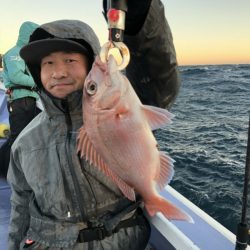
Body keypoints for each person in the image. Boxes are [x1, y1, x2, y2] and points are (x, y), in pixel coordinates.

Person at [7, 0, 181, 249]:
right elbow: (21, 202)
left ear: (91, 64)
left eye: (69, 60)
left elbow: (159, 82)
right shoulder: (25, 142)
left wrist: (138, 20)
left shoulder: (123, 104)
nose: (58, 72)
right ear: (37, 72)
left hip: (121, 241)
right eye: (48, 64)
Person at [0, 21, 41, 178]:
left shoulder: (26, 54)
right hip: (20, 101)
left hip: (30, 100)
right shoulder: (14, 53)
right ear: (28, 35)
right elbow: (16, 76)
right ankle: (11, 173)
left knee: (31, 137)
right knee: (18, 138)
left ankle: (24, 171)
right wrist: (40, 83)